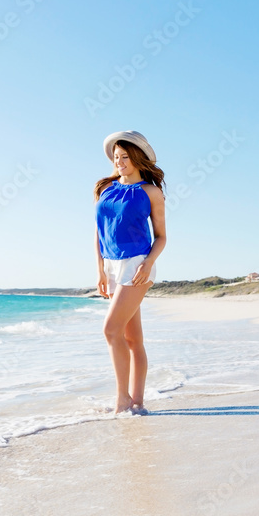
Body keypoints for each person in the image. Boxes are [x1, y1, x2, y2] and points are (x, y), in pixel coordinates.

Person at [93, 130, 167, 415]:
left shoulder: (150, 192)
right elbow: (98, 234)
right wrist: (100, 271)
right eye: (116, 157)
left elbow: (161, 236)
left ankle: (122, 400)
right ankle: (137, 402)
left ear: (136, 158)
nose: (119, 162)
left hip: (137, 263)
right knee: (133, 339)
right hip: (111, 265)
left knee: (111, 330)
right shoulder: (105, 189)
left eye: (125, 157)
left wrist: (148, 264)